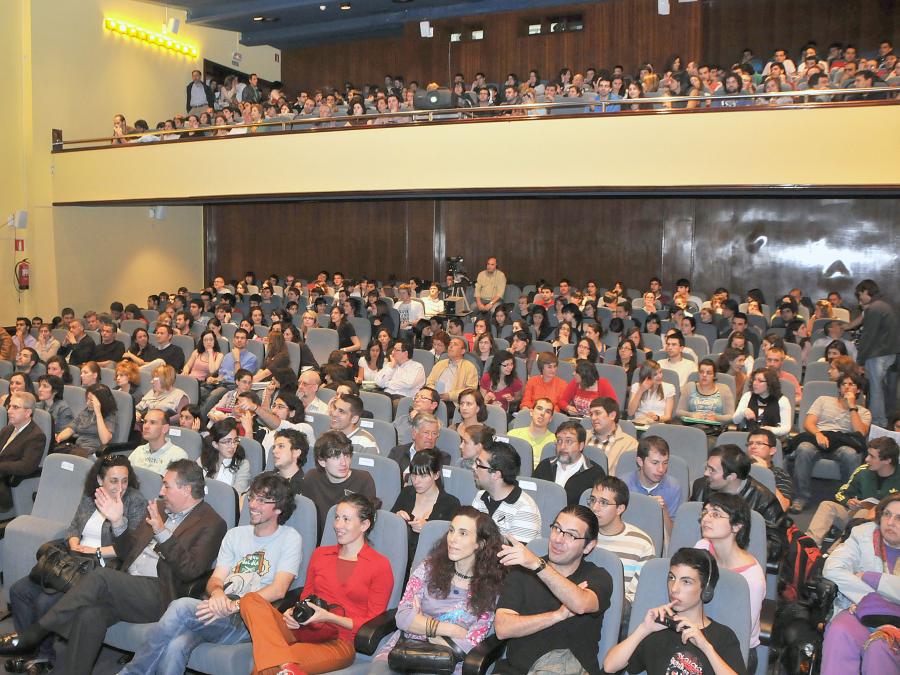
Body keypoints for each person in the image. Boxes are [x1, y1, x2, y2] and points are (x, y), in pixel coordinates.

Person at [0, 460, 227, 675]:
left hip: (161, 593)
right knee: (91, 615)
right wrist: (118, 523)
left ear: (186, 489)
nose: (160, 492)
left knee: (101, 577)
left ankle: (34, 633)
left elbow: (190, 570)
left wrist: (162, 533)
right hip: (127, 585)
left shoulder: (212, 523)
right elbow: (128, 551)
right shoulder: (158, 507)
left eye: (167, 486)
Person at [119, 472, 301, 675]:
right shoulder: (235, 535)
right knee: (176, 645)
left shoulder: (289, 538)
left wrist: (234, 606)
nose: (252, 505)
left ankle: (131, 673)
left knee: (180, 607)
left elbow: (278, 590)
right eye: (251, 497)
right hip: (219, 608)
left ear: (278, 507)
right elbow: (216, 579)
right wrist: (217, 594)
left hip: (248, 620)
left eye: (261, 500)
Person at [5, 455, 147, 674]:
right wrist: (74, 544)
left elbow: (133, 546)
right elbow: (73, 527)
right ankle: (30, 653)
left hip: (101, 566)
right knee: (19, 591)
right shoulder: (91, 497)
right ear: (100, 480)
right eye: (113, 480)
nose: (120, 487)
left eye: (125, 480)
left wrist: (95, 551)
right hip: (73, 560)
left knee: (45, 601)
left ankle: (46, 659)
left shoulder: (134, 501)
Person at [239, 494, 393, 673]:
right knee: (250, 600)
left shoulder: (379, 565)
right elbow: (305, 598)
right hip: (302, 629)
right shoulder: (321, 554)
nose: (338, 525)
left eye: (346, 519)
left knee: (268, 667)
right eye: (336, 517)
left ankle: (284, 665)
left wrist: (329, 617)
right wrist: (292, 613)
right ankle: (287, 665)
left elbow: (371, 621)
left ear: (364, 525)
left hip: (339, 642)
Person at [370, 506, 505, 674]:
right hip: (401, 653)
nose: (452, 539)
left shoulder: (490, 588)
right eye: (451, 530)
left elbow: (470, 642)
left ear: (480, 543)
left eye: (463, 533)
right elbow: (403, 617)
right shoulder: (428, 567)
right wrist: (452, 630)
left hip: (447, 664)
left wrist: (420, 624)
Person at [493, 505, 611, 674]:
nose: (558, 539)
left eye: (570, 535)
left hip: (568, 667)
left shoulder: (598, 576)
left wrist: (537, 566)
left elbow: (581, 604)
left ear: (588, 546)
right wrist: (557, 616)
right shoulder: (522, 571)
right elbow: (503, 629)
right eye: (557, 528)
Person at [603, 548, 746, 675]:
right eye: (671, 578)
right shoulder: (657, 627)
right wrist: (643, 629)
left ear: (706, 590)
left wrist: (707, 648)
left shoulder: (722, 636)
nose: (674, 588)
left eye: (686, 581)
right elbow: (609, 667)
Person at [821, 493, 900, 675]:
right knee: (840, 631)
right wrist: (873, 601)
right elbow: (832, 569)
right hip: (858, 609)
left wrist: (873, 578)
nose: (890, 522)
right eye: (887, 514)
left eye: (899, 518)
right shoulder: (863, 534)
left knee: (881, 646)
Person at [695, 493, 765, 668]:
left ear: (736, 526)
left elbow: (742, 633)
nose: (706, 519)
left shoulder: (751, 579)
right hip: (699, 634)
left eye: (716, 514)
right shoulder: (702, 547)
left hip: (734, 649)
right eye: (705, 512)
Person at [789, 372, 871, 513]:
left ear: (858, 390)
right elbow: (808, 423)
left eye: (851, 384)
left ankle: (846, 498)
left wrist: (852, 406)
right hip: (819, 437)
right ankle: (801, 497)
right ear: (839, 388)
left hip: (844, 443)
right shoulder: (823, 400)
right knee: (804, 448)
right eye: (844, 384)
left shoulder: (863, 412)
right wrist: (818, 434)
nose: (847, 387)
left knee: (851, 454)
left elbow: (861, 433)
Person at [691, 444, 787, 564]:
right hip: (704, 557)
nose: (706, 473)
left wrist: (731, 547)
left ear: (731, 477)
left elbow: (776, 547)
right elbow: (690, 526)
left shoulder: (764, 500)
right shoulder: (701, 487)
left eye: (712, 470)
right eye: (707, 468)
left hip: (740, 562)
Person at [805, 436, 900, 546]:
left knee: (863, 512)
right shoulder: (863, 471)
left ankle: (836, 552)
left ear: (887, 460)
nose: (867, 459)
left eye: (872, 456)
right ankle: (809, 546)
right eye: (868, 454)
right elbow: (841, 494)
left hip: (885, 525)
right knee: (827, 505)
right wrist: (848, 502)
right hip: (856, 517)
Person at [588, 476, 656, 604]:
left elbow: (636, 597)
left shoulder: (642, 543)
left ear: (620, 509)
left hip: (618, 611)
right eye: (592, 500)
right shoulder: (582, 535)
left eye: (603, 502)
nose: (595, 508)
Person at [391, 448, 461, 567]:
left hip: (431, 563)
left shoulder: (450, 503)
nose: (416, 481)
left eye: (423, 476)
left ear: (436, 475)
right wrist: (396, 519)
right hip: (399, 560)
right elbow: (388, 529)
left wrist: (429, 530)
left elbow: (451, 540)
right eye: (414, 475)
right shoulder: (406, 493)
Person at [301, 431, 377, 540]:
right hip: (318, 544)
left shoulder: (363, 480)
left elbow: (367, 525)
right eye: (336, 457)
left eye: (346, 456)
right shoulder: (312, 478)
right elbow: (307, 521)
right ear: (322, 461)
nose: (344, 463)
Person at [845, 279, 898, 427]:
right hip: (891, 353)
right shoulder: (886, 306)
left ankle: (877, 423)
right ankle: (887, 421)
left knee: (876, 390)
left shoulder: (873, 309)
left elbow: (868, 336)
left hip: (877, 353)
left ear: (865, 291)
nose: (859, 298)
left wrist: (860, 360)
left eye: (860, 294)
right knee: (886, 390)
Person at [472, 440, 541, 543]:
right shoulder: (480, 497)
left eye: (479, 464)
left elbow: (515, 556)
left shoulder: (525, 509)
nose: (473, 467)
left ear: (496, 474)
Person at [534, 420, 606, 505]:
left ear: (581, 446)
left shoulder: (595, 473)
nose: (562, 447)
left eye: (569, 441)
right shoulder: (545, 466)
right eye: (559, 441)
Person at [623, 435, 684, 535]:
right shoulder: (624, 485)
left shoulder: (674, 487)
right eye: (655, 463)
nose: (661, 469)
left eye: (665, 463)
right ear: (640, 461)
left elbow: (674, 534)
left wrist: (664, 511)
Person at [0, 393, 46, 511]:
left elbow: (26, 466)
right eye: (9, 406)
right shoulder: (8, 428)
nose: (9, 411)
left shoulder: (36, 436)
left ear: (28, 412)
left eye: (15, 407)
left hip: (7, 486)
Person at [54, 383, 117, 457]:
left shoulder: (109, 415)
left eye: (91, 400)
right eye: (87, 399)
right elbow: (71, 429)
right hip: (78, 448)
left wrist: (98, 413)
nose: (87, 403)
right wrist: (58, 438)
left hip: (93, 452)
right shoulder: (86, 411)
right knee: (54, 450)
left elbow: (105, 440)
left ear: (101, 401)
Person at [198, 418, 252, 497]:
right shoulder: (203, 460)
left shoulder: (242, 464)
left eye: (235, 441)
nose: (233, 446)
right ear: (215, 444)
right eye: (227, 442)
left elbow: (236, 494)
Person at [732, 367, 792, 437]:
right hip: (747, 435)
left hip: (771, 438)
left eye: (760, 381)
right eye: (754, 380)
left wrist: (772, 430)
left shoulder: (782, 400)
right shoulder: (748, 396)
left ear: (770, 383)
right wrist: (743, 412)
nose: (755, 383)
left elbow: (786, 428)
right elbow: (735, 420)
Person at [129, 408, 189, 475]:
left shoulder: (178, 456)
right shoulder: (138, 451)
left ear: (165, 428)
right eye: (145, 422)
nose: (146, 426)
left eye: (152, 423)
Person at [586, 396, 638, 474]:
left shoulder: (630, 444)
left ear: (612, 415)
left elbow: (627, 476)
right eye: (591, 414)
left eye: (597, 413)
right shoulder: (582, 436)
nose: (593, 418)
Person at [746, 428, 793, 512]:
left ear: (772, 451)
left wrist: (766, 475)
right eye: (750, 443)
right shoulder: (738, 468)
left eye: (759, 443)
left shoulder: (780, 474)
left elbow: (783, 507)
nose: (752, 446)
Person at [677, 358, 736, 426]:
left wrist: (716, 417)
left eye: (709, 373)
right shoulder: (689, 387)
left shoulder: (724, 389)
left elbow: (731, 416)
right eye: (701, 372)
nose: (704, 375)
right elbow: (679, 412)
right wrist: (691, 415)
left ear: (714, 375)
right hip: (692, 427)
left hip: (714, 430)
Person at [426, 337, 479, 405]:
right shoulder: (440, 364)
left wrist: (450, 396)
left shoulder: (470, 367)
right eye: (450, 344)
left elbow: (471, 390)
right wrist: (434, 393)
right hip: (434, 398)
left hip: (453, 402)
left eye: (455, 344)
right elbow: (429, 382)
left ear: (462, 351)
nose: (450, 346)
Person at [508, 397, 557, 469]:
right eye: (539, 408)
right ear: (531, 412)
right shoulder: (512, 435)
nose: (542, 413)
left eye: (547, 412)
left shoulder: (555, 441)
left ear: (550, 419)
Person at [627, 360, 676, 424]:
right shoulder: (636, 387)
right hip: (639, 423)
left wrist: (657, 418)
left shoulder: (669, 388)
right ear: (647, 377)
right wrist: (640, 390)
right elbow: (630, 413)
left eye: (660, 372)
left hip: (657, 424)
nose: (660, 376)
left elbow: (668, 416)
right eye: (655, 374)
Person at [271, 428, 310, 494]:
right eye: (274, 447)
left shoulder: (305, 487)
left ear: (296, 453)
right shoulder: (265, 479)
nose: (274, 451)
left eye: (281, 446)